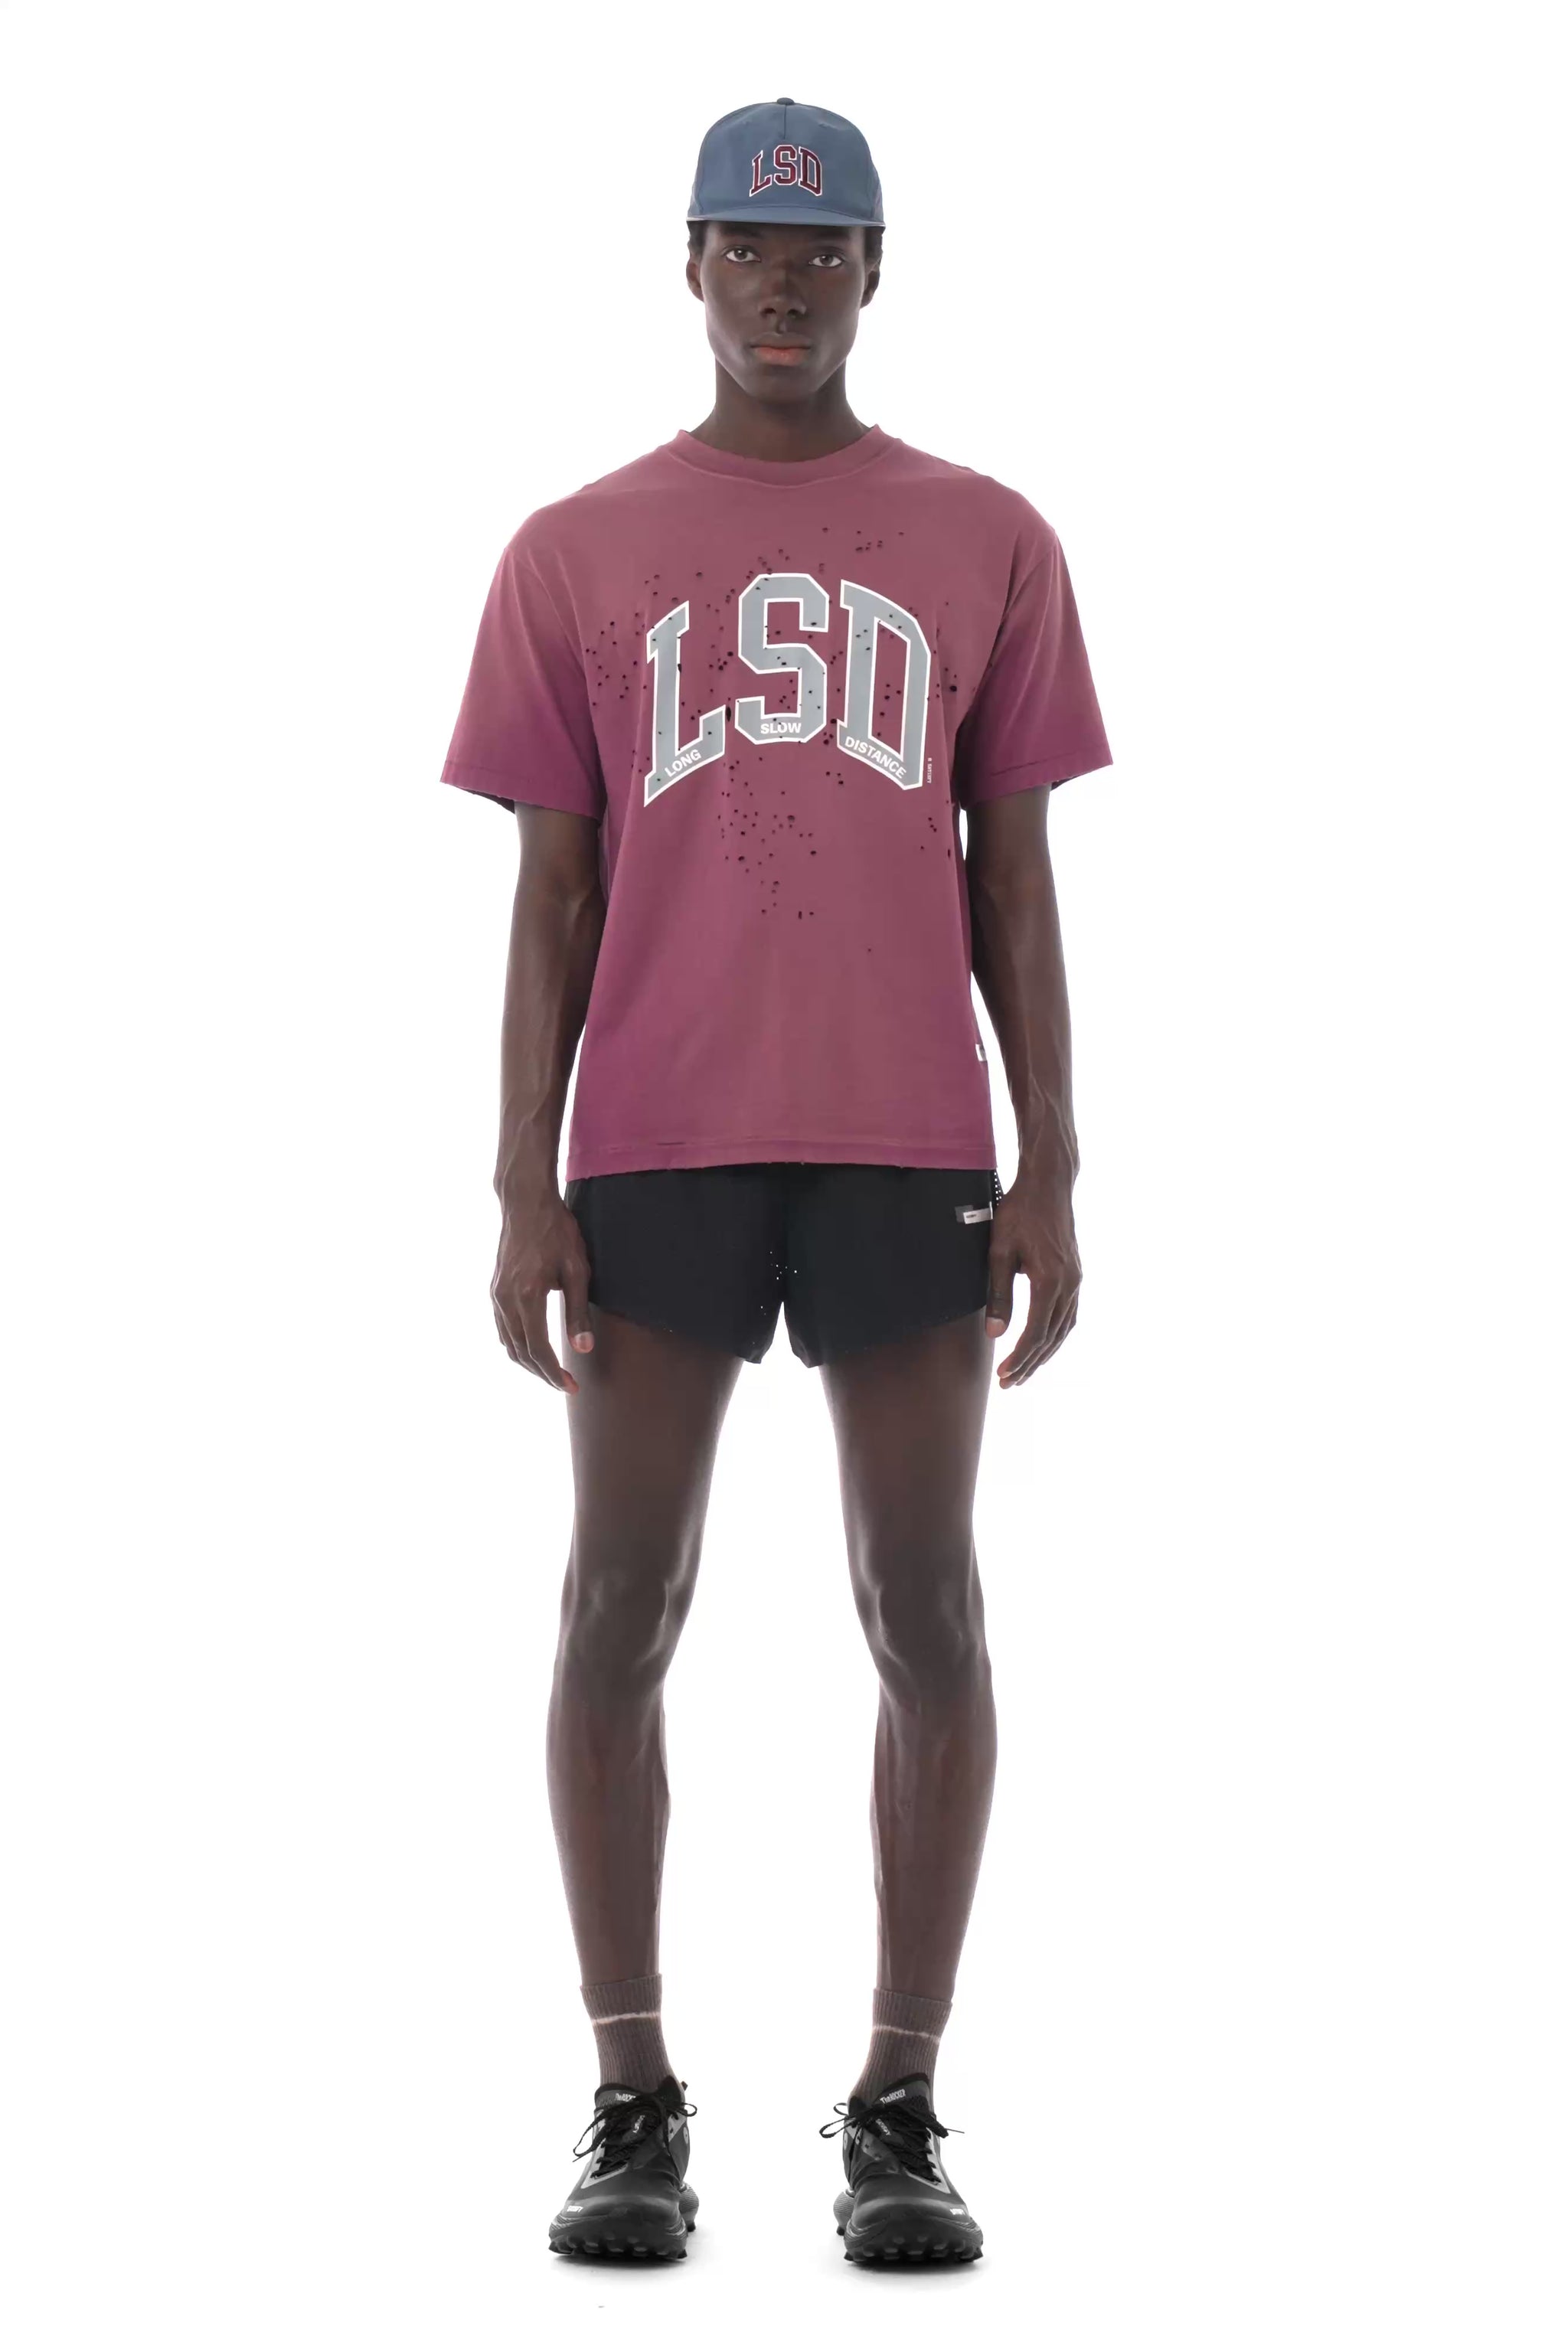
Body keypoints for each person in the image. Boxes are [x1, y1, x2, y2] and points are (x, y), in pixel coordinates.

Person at [439, 97, 1111, 2266]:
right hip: (655, 1137)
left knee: (927, 1607)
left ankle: (899, 2104)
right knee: (617, 1604)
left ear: (878, 272)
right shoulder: (574, 547)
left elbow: (1014, 875)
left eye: (824, 250)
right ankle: (630, 2097)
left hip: (912, 1134)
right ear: (693, 265)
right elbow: (552, 897)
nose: (786, 283)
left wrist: (1057, 1161)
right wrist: (519, 1181)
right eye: (749, 243)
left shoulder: (990, 534)